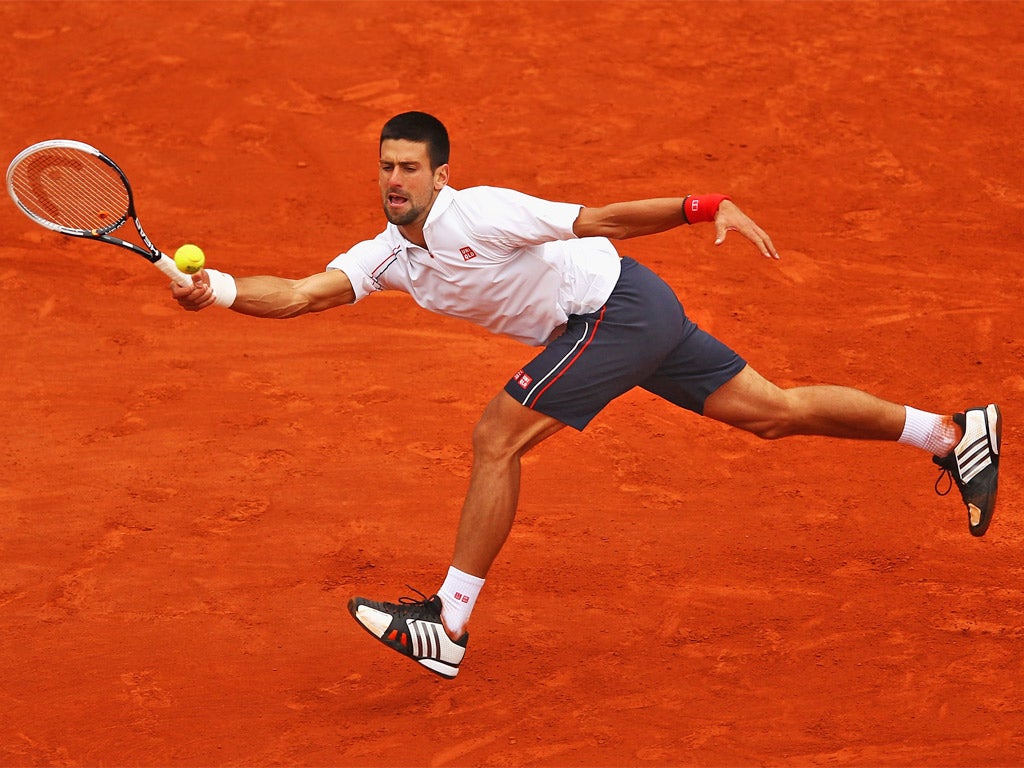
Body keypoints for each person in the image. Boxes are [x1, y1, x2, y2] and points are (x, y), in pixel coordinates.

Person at [172, 111, 1001, 680]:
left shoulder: (484, 212)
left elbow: (598, 216)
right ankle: (949, 433)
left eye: (409, 168)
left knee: (497, 436)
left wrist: (700, 205)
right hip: (633, 314)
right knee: (772, 414)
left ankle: (448, 624)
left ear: (440, 173)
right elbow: (305, 293)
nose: (394, 180)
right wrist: (217, 288)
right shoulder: (388, 254)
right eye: (386, 166)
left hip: (617, 309)